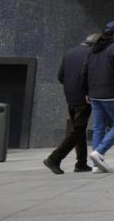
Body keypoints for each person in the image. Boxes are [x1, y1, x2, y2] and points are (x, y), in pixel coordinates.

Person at [82, 21, 114, 173]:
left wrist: (87, 92)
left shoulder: (93, 49)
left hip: (95, 95)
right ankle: (99, 152)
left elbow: (84, 71)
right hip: (113, 94)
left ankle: (96, 165)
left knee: (98, 127)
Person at [43, 32, 98, 174]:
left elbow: (60, 76)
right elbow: (89, 75)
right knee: (78, 130)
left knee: (78, 129)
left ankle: (81, 163)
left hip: (70, 96)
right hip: (84, 97)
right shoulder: (91, 53)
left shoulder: (69, 53)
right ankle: (54, 158)